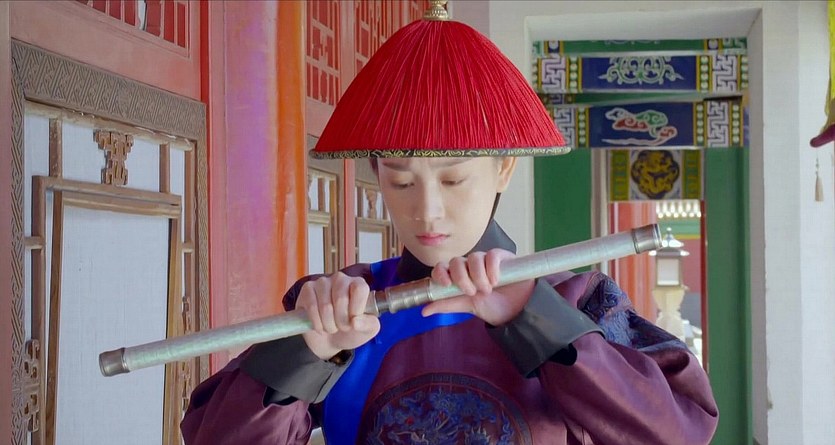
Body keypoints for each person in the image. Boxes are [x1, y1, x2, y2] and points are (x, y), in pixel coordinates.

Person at [181, 8, 718, 445]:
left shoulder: (576, 300)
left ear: (503, 167)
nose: (427, 210)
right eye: (400, 181)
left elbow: (678, 431)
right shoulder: (348, 306)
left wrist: (538, 320)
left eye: (454, 179)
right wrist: (308, 350)